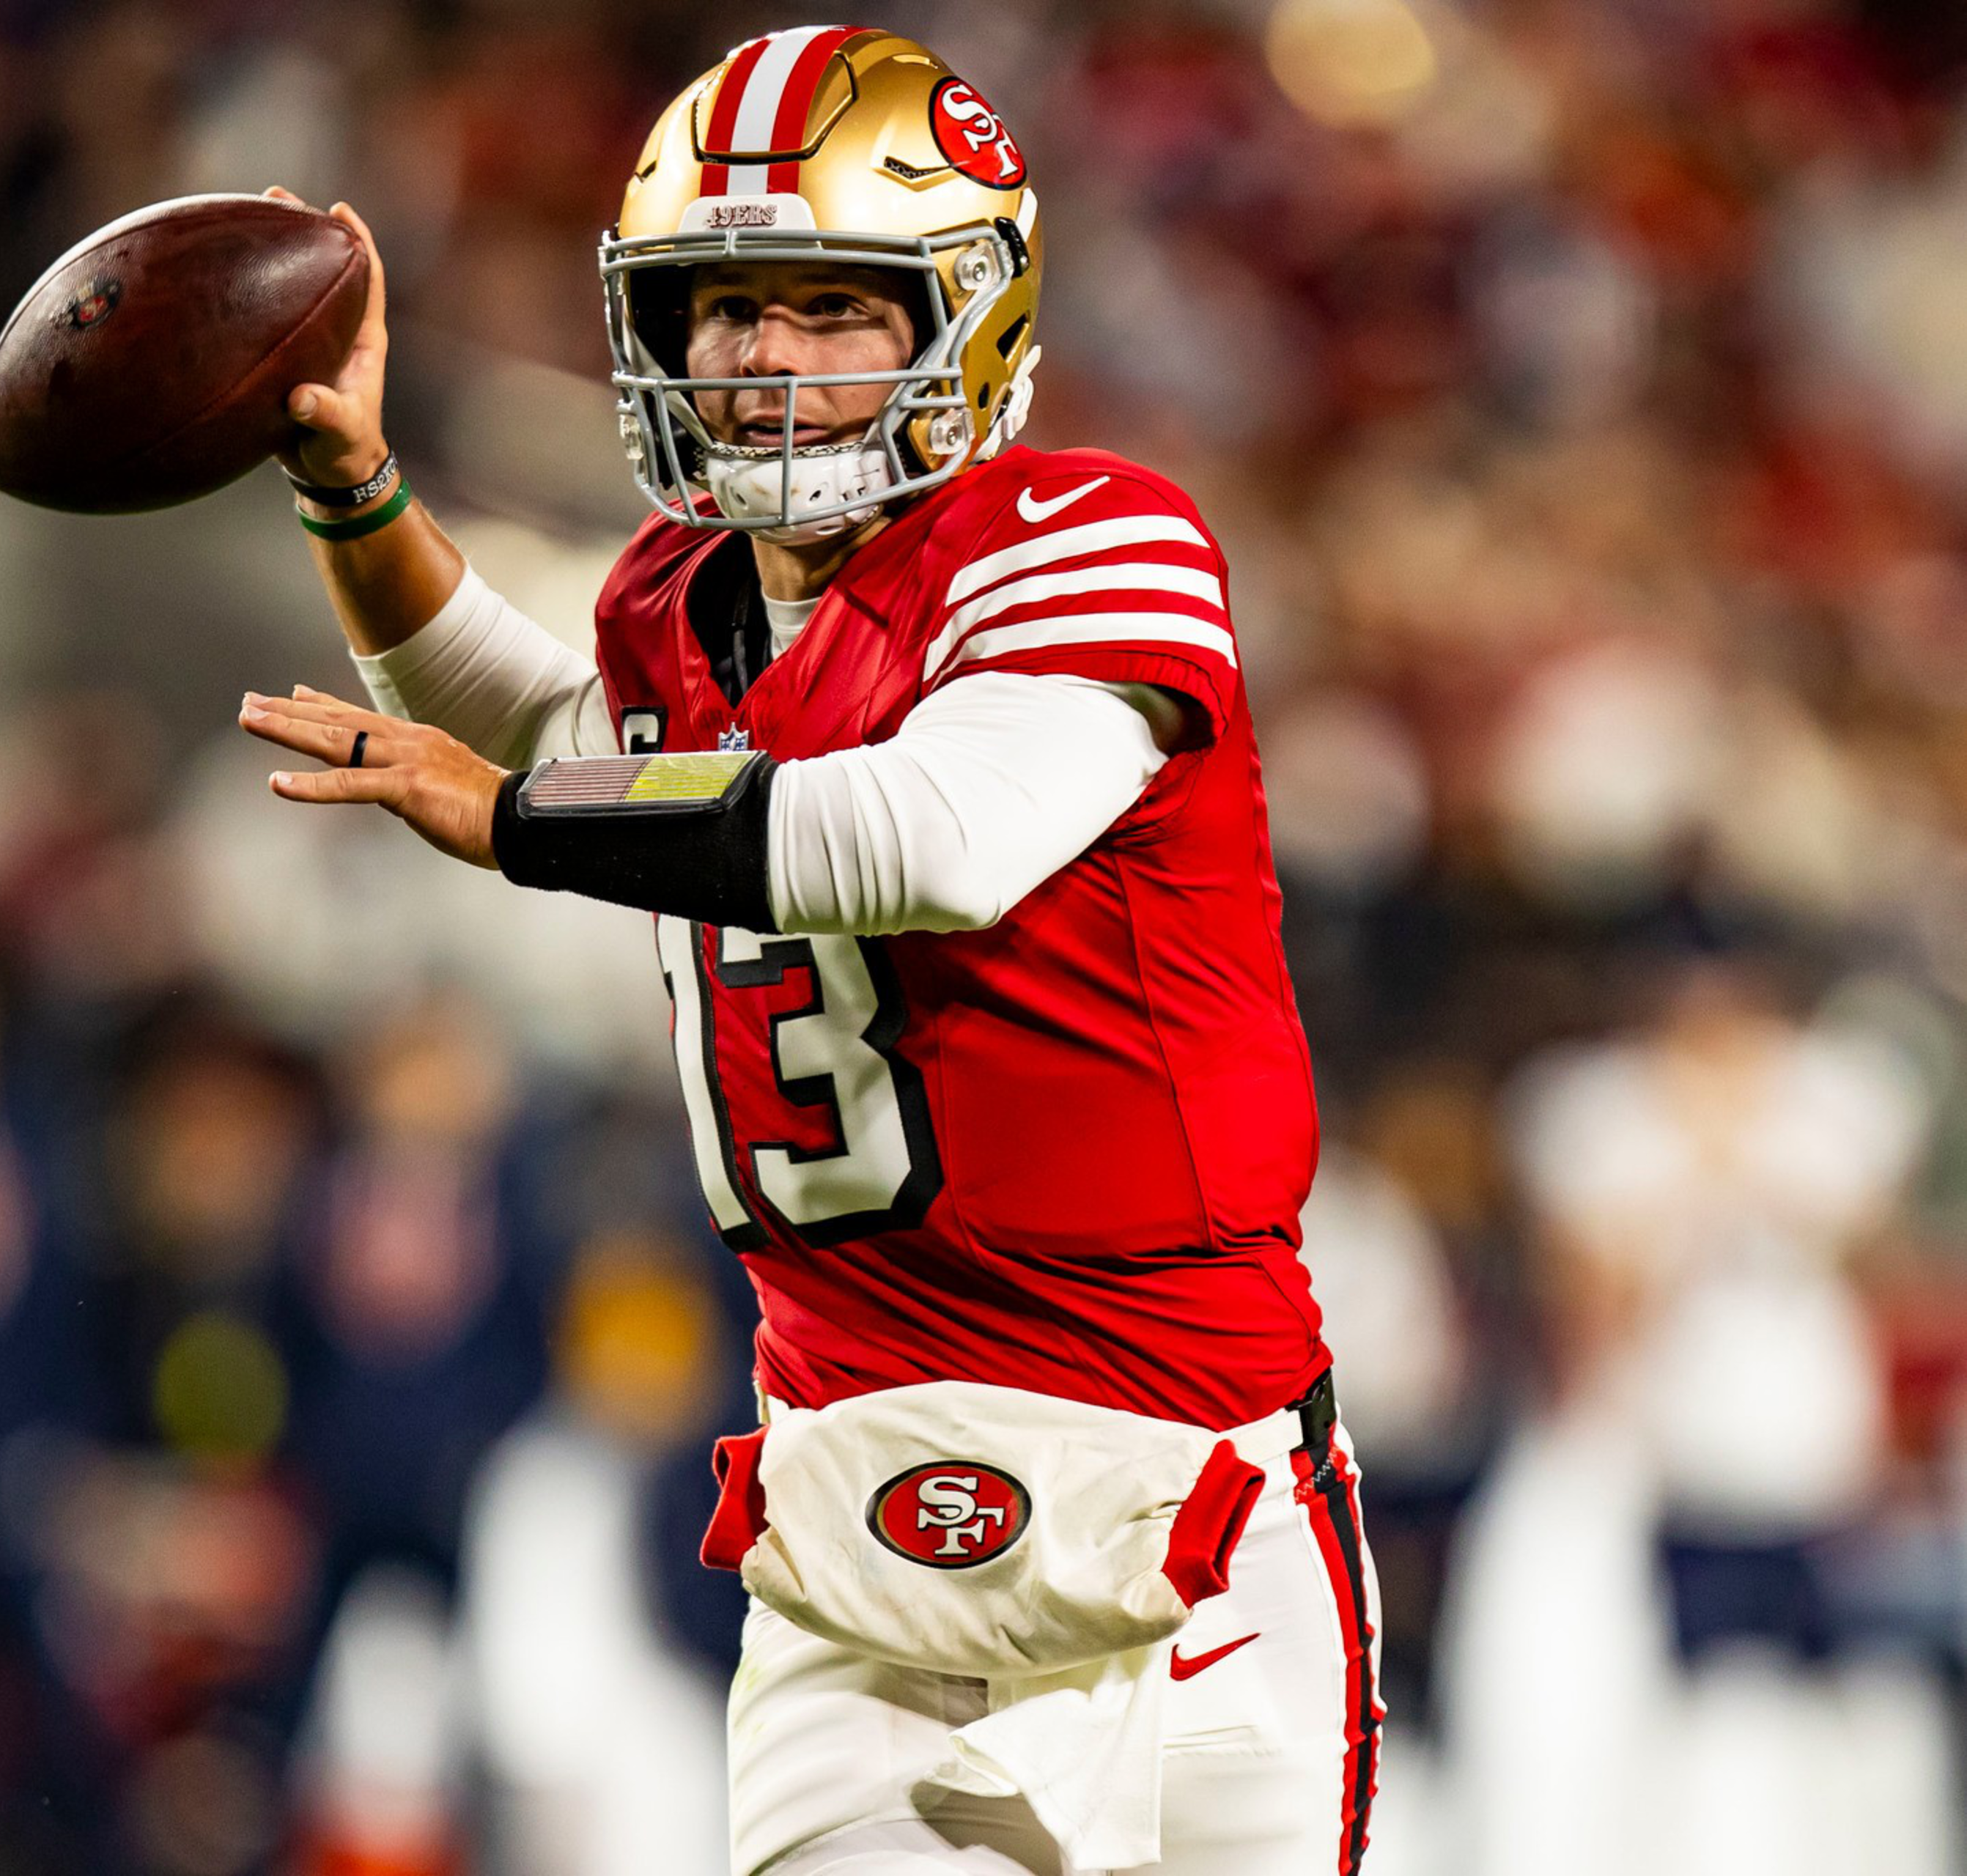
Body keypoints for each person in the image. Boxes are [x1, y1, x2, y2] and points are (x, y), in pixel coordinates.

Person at [237, 28, 1375, 1876]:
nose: (762, 361)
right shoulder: (671, 602)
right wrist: (355, 493)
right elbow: (553, 738)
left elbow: (922, 836)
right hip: (852, 1518)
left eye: (830, 307)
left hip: (1187, 1505)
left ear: (968, 313)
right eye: (721, 307)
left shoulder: (1087, 536)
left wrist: (515, 819)